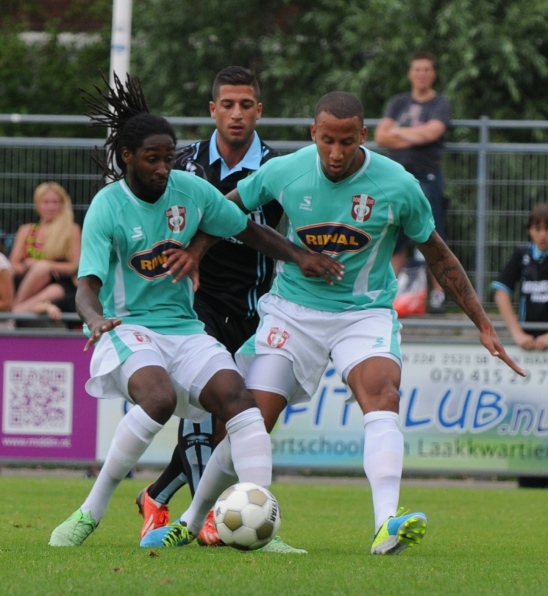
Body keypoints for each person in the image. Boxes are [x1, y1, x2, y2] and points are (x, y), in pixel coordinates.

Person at [142, 91, 524, 555]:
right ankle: (191, 519)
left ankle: (386, 523)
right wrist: (195, 253)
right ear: (313, 135)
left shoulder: (396, 184)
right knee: (250, 420)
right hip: (293, 314)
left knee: (383, 394)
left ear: (363, 135)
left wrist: (482, 323)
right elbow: (226, 211)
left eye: (347, 141)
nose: (336, 153)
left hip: (363, 314)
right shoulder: (286, 171)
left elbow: (438, 253)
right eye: (327, 141)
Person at [48, 73, 342, 547]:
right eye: (153, 159)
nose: (165, 168)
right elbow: (86, 285)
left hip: (186, 329)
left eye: (168, 157)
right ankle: (90, 511)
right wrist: (95, 319)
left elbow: (247, 229)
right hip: (129, 327)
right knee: (159, 399)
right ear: (127, 157)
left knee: (241, 404)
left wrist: (300, 255)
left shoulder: (190, 189)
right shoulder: (107, 206)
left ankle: (262, 527)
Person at [132, 67, 302, 554]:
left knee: (237, 424)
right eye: (227, 104)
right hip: (191, 304)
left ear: (259, 111)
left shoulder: (275, 168)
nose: (236, 113)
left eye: (246, 104)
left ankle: (158, 495)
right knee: (202, 420)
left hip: (254, 309)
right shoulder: (182, 165)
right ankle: (207, 520)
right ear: (212, 110)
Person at [374, 51, 451, 314]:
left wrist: (398, 132)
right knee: (394, 237)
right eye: (417, 69)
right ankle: (390, 296)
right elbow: (381, 136)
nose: (422, 74)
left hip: (426, 179)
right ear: (410, 73)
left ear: (433, 73)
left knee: (432, 236)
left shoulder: (440, 103)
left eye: (427, 69)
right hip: (395, 179)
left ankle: (438, 295)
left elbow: (433, 132)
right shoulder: (398, 102)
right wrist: (413, 136)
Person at [492, 203, 548, 352]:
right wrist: (517, 333)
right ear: (529, 230)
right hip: (526, 344)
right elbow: (501, 293)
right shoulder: (521, 253)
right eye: (537, 229)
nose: (543, 234)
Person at [8, 182, 81, 315]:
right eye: (46, 202)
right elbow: (13, 264)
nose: (51, 206)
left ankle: (11, 313)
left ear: (62, 205)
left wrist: (45, 265)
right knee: (40, 269)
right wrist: (28, 266)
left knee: (52, 284)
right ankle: (15, 310)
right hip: (25, 282)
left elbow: (74, 267)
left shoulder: (71, 230)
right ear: (38, 205)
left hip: (59, 283)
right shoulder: (26, 230)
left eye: (55, 202)